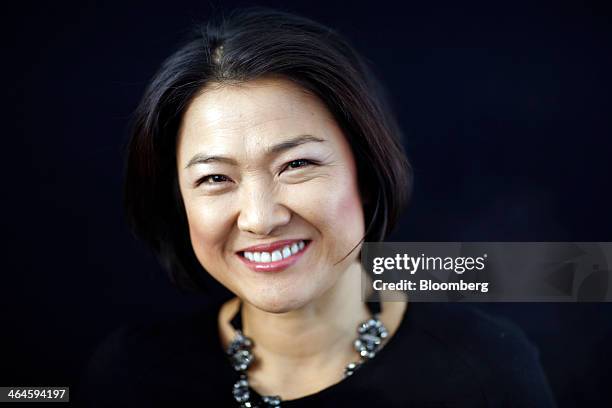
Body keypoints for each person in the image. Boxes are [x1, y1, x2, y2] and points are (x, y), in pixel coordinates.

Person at [77, 7, 556, 407]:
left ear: (364, 173)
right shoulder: (130, 376)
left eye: (296, 164)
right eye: (215, 178)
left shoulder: (483, 372)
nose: (261, 218)